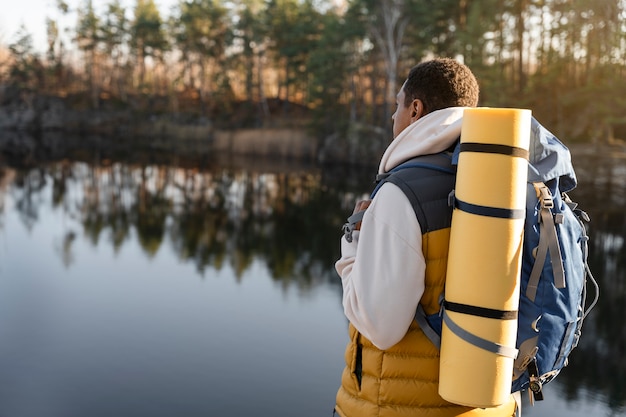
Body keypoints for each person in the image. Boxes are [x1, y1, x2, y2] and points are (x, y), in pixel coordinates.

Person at [333, 58, 518, 417]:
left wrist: (354, 242)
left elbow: (379, 328)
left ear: (416, 109)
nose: (392, 117)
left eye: (396, 105)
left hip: (398, 407)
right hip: (491, 406)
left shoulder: (401, 193)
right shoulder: (506, 181)